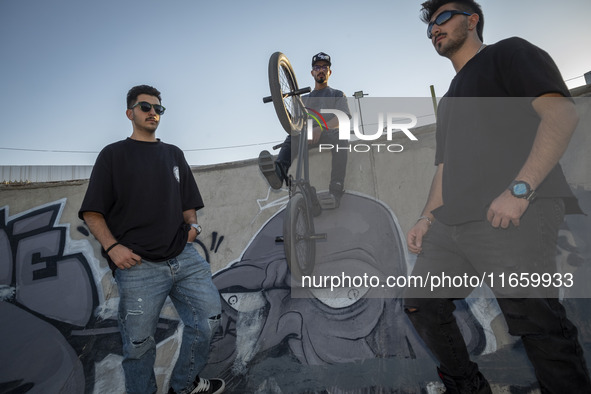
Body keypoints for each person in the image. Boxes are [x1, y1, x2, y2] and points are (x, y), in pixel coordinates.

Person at [403, 1, 591, 393]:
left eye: (443, 17)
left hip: (512, 215)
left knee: (536, 323)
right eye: (429, 26)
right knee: (420, 302)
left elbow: (561, 115)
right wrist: (426, 218)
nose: (434, 29)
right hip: (453, 222)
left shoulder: (509, 53)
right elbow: (444, 168)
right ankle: (468, 386)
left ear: (472, 20)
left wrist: (520, 190)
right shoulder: (450, 97)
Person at [79, 85, 225, 394]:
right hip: (138, 267)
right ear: (130, 113)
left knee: (210, 317)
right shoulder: (113, 155)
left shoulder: (173, 154)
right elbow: (92, 212)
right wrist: (113, 247)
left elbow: (189, 204)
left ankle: (184, 385)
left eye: (158, 108)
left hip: (183, 258)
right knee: (139, 346)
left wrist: (194, 228)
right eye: (145, 107)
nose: (153, 113)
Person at [259, 52, 351, 207]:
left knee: (341, 137)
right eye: (317, 67)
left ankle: (336, 189)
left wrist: (320, 128)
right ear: (312, 72)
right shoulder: (303, 99)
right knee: (292, 137)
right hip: (305, 136)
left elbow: (342, 118)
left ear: (329, 72)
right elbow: (295, 123)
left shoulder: (336, 94)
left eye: (324, 67)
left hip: (328, 133)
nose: (320, 70)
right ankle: (278, 174)